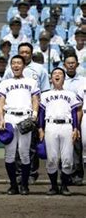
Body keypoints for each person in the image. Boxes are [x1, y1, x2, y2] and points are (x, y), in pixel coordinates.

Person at [0, 55, 40, 195]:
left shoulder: (31, 82)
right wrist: (1, 119)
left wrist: (34, 115)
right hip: (9, 116)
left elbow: (35, 99)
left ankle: (24, 185)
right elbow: (1, 102)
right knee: (9, 154)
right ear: (11, 66)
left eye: (18, 63)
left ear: (23, 66)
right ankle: (13, 184)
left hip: (25, 117)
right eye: (13, 63)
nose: (16, 65)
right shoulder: (5, 83)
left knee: (24, 153)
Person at [38, 67, 81, 195]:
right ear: (51, 78)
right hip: (50, 125)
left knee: (67, 159)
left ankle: (64, 186)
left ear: (64, 78)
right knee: (51, 158)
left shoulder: (71, 94)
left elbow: (74, 112)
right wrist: (40, 128)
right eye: (55, 74)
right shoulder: (45, 95)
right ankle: (53, 186)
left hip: (67, 126)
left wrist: (76, 128)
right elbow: (41, 113)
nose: (57, 75)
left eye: (60, 74)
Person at [63, 52, 86, 186]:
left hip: (78, 115)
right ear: (64, 64)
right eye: (68, 63)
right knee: (64, 147)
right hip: (63, 115)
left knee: (77, 146)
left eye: (73, 62)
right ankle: (66, 174)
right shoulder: (59, 78)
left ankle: (78, 174)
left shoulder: (83, 81)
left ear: (77, 64)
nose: (71, 65)